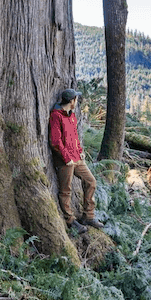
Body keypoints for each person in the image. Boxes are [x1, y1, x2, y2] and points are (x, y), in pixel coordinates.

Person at [49, 88, 104, 234]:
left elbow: (75, 137)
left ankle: (88, 216)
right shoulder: (56, 116)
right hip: (64, 160)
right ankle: (70, 220)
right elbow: (56, 141)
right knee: (66, 190)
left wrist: (80, 151)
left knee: (91, 181)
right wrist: (67, 158)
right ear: (71, 101)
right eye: (76, 99)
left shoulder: (72, 116)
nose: (77, 101)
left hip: (77, 158)